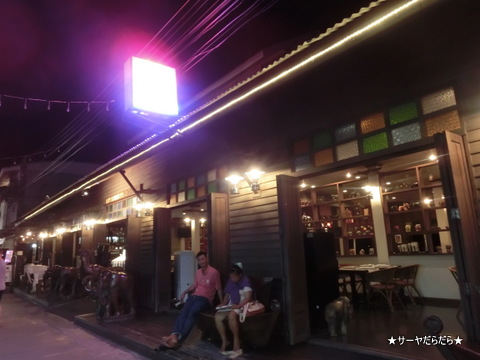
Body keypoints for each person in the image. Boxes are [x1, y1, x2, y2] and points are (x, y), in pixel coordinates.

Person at [160, 251, 222, 349]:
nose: (201, 261)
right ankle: (174, 335)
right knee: (183, 312)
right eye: (199, 260)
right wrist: (184, 292)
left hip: (205, 300)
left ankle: (179, 339)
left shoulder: (214, 272)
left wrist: (222, 303)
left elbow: (219, 288)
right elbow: (195, 285)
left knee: (192, 313)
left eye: (203, 259)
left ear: (207, 259)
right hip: (194, 296)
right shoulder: (198, 272)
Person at [215, 263, 252, 359]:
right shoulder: (230, 281)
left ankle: (237, 345)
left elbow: (248, 298)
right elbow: (227, 294)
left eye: (234, 277)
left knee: (232, 315)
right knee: (218, 317)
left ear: (240, 275)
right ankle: (225, 341)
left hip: (243, 306)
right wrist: (223, 303)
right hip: (232, 305)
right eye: (231, 277)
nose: (232, 279)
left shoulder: (245, 281)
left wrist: (238, 306)